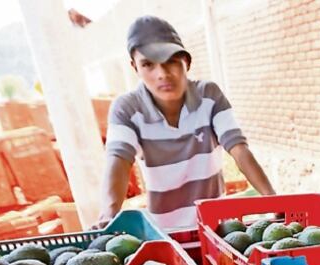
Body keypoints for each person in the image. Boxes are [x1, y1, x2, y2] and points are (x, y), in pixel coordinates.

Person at [99, 16, 275, 229]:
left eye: (170, 62)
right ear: (135, 67)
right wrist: (108, 216)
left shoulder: (209, 96)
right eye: (148, 65)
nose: (162, 74)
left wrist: (272, 200)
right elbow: (118, 160)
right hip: (166, 232)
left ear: (186, 62)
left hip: (216, 229)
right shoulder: (127, 108)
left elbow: (237, 148)